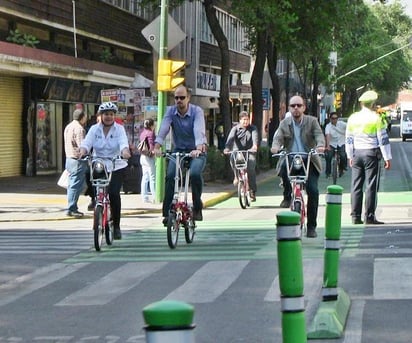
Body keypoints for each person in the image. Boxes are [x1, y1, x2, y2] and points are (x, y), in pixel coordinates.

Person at [270, 95, 325, 238]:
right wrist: (275, 147)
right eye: (293, 105)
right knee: (282, 168)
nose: (296, 108)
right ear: (289, 108)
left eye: (298, 105)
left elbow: (319, 135)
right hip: (291, 158)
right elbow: (277, 138)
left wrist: (320, 146)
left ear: (304, 107)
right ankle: (287, 195)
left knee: (313, 191)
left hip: (309, 160)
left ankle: (311, 226)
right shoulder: (284, 123)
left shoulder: (312, 121)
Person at [154, 85, 207, 226]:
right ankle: (167, 213)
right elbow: (164, 128)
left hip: (197, 150)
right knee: (171, 175)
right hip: (179, 150)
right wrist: (157, 146)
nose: (179, 100)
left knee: (195, 174)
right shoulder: (170, 111)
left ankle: (197, 207)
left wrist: (199, 147)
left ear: (188, 98)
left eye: (182, 97)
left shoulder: (197, 111)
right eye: (176, 97)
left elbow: (198, 129)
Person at [79, 102, 131, 239]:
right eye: (106, 114)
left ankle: (117, 226)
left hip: (116, 165)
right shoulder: (94, 129)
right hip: (99, 164)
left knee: (114, 193)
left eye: (111, 114)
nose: (108, 117)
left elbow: (123, 143)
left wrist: (125, 151)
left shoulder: (119, 129)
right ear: (100, 116)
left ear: (114, 116)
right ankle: (94, 199)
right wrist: (83, 151)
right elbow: (86, 143)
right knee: (87, 173)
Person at [345, 90, 392, 225]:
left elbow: (348, 139)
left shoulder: (352, 118)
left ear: (361, 103)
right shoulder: (376, 118)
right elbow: (383, 139)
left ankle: (355, 216)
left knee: (356, 185)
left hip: (356, 154)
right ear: (373, 104)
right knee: (371, 185)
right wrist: (387, 157)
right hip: (371, 154)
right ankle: (369, 216)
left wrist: (350, 155)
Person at [223, 111, 258, 201]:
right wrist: (227, 148)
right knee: (232, 157)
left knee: (251, 167)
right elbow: (230, 139)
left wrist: (254, 146)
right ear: (240, 120)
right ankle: (236, 176)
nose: (245, 122)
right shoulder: (235, 129)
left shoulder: (253, 128)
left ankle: (252, 191)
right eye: (243, 120)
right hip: (238, 151)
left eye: (247, 120)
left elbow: (255, 138)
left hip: (249, 151)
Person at [64, 108, 88, 217]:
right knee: (75, 185)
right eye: (85, 117)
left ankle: (71, 206)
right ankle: (72, 208)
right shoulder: (79, 129)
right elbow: (82, 145)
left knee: (71, 185)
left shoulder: (68, 127)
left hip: (69, 158)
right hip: (77, 160)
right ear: (82, 117)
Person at [324, 112, 347, 178]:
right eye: (333, 118)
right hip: (332, 143)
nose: (334, 120)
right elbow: (327, 135)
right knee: (328, 156)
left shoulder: (342, 124)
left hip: (341, 142)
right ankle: (328, 173)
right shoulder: (328, 126)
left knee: (343, 155)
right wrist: (328, 146)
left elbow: (349, 127)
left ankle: (342, 169)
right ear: (330, 119)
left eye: (336, 118)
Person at [139, 118, 156, 203]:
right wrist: (153, 151)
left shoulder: (142, 133)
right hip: (149, 157)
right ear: (152, 125)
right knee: (152, 177)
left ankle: (144, 197)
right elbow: (151, 143)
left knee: (145, 177)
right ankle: (155, 196)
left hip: (142, 156)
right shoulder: (151, 133)